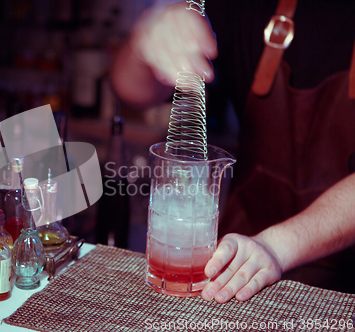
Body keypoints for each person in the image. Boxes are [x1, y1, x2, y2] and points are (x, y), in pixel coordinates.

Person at [110, 0, 355, 303]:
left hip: (342, 284)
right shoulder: (243, 7)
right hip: (235, 262)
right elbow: (130, 89)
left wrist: (277, 247)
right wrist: (144, 43)